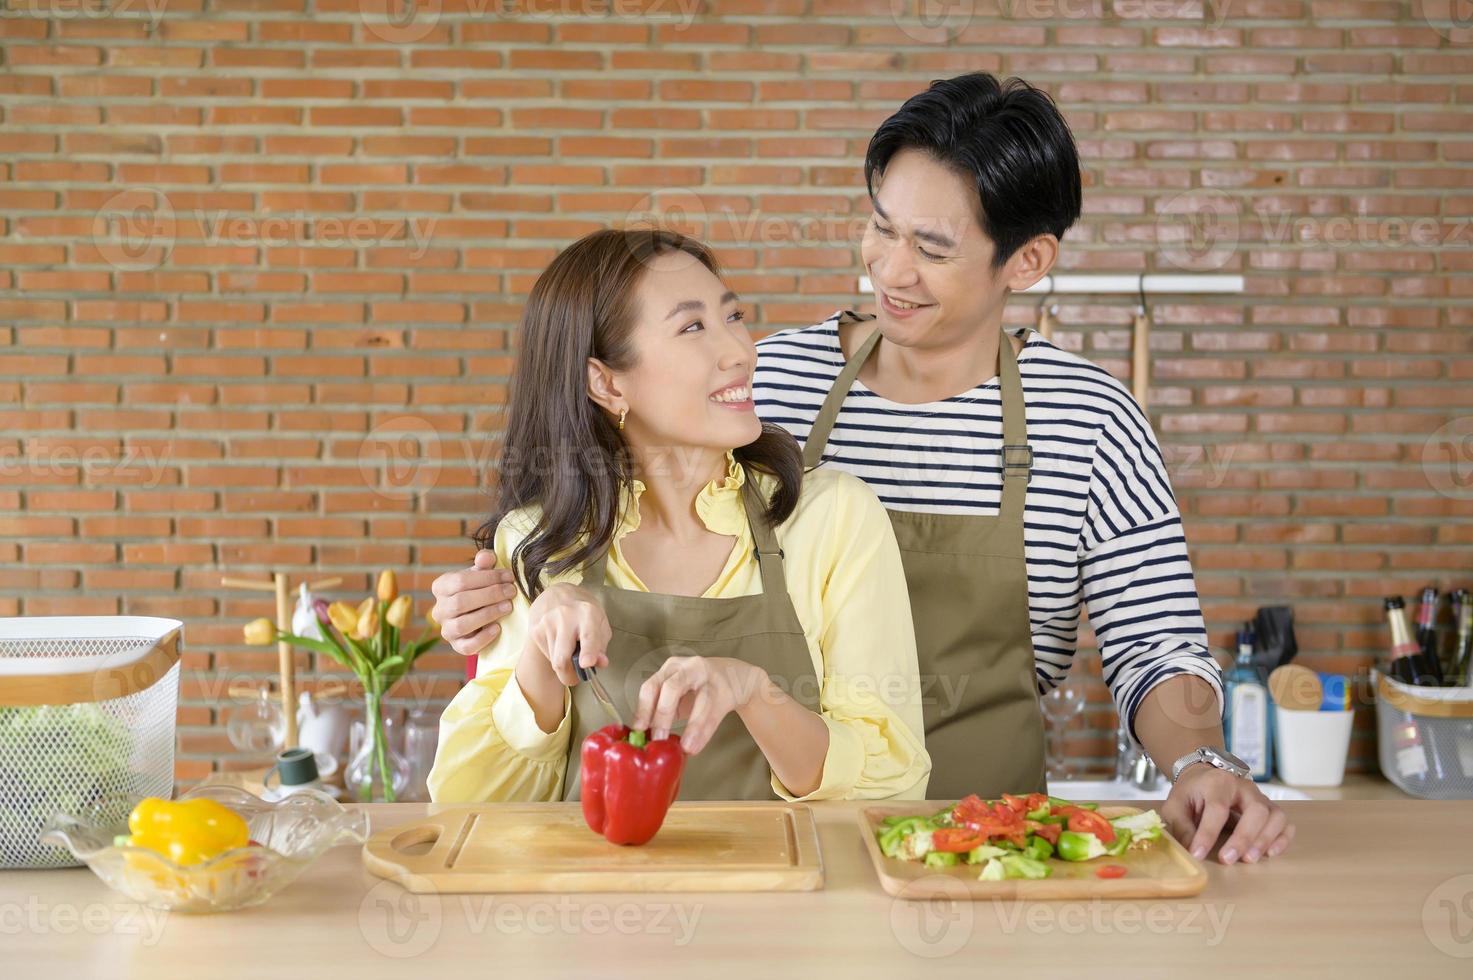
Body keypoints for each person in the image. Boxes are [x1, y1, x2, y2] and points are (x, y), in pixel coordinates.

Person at [751, 72, 1293, 865]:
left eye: (931, 248)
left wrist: (1199, 761)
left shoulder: (1089, 419)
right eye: (880, 228)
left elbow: (1154, 643)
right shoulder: (765, 384)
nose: (888, 270)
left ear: (1027, 260)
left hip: (984, 852)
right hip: (778, 836)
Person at [427, 228, 930, 804]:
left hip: (795, 890)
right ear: (607, 382)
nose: (742, 351)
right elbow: (478, 815)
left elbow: (893, 784)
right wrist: (540, 654)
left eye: (732, 316)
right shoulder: (539, 541)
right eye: (692, 327)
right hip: (590, 895)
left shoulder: (832, 517)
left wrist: (754, 692)